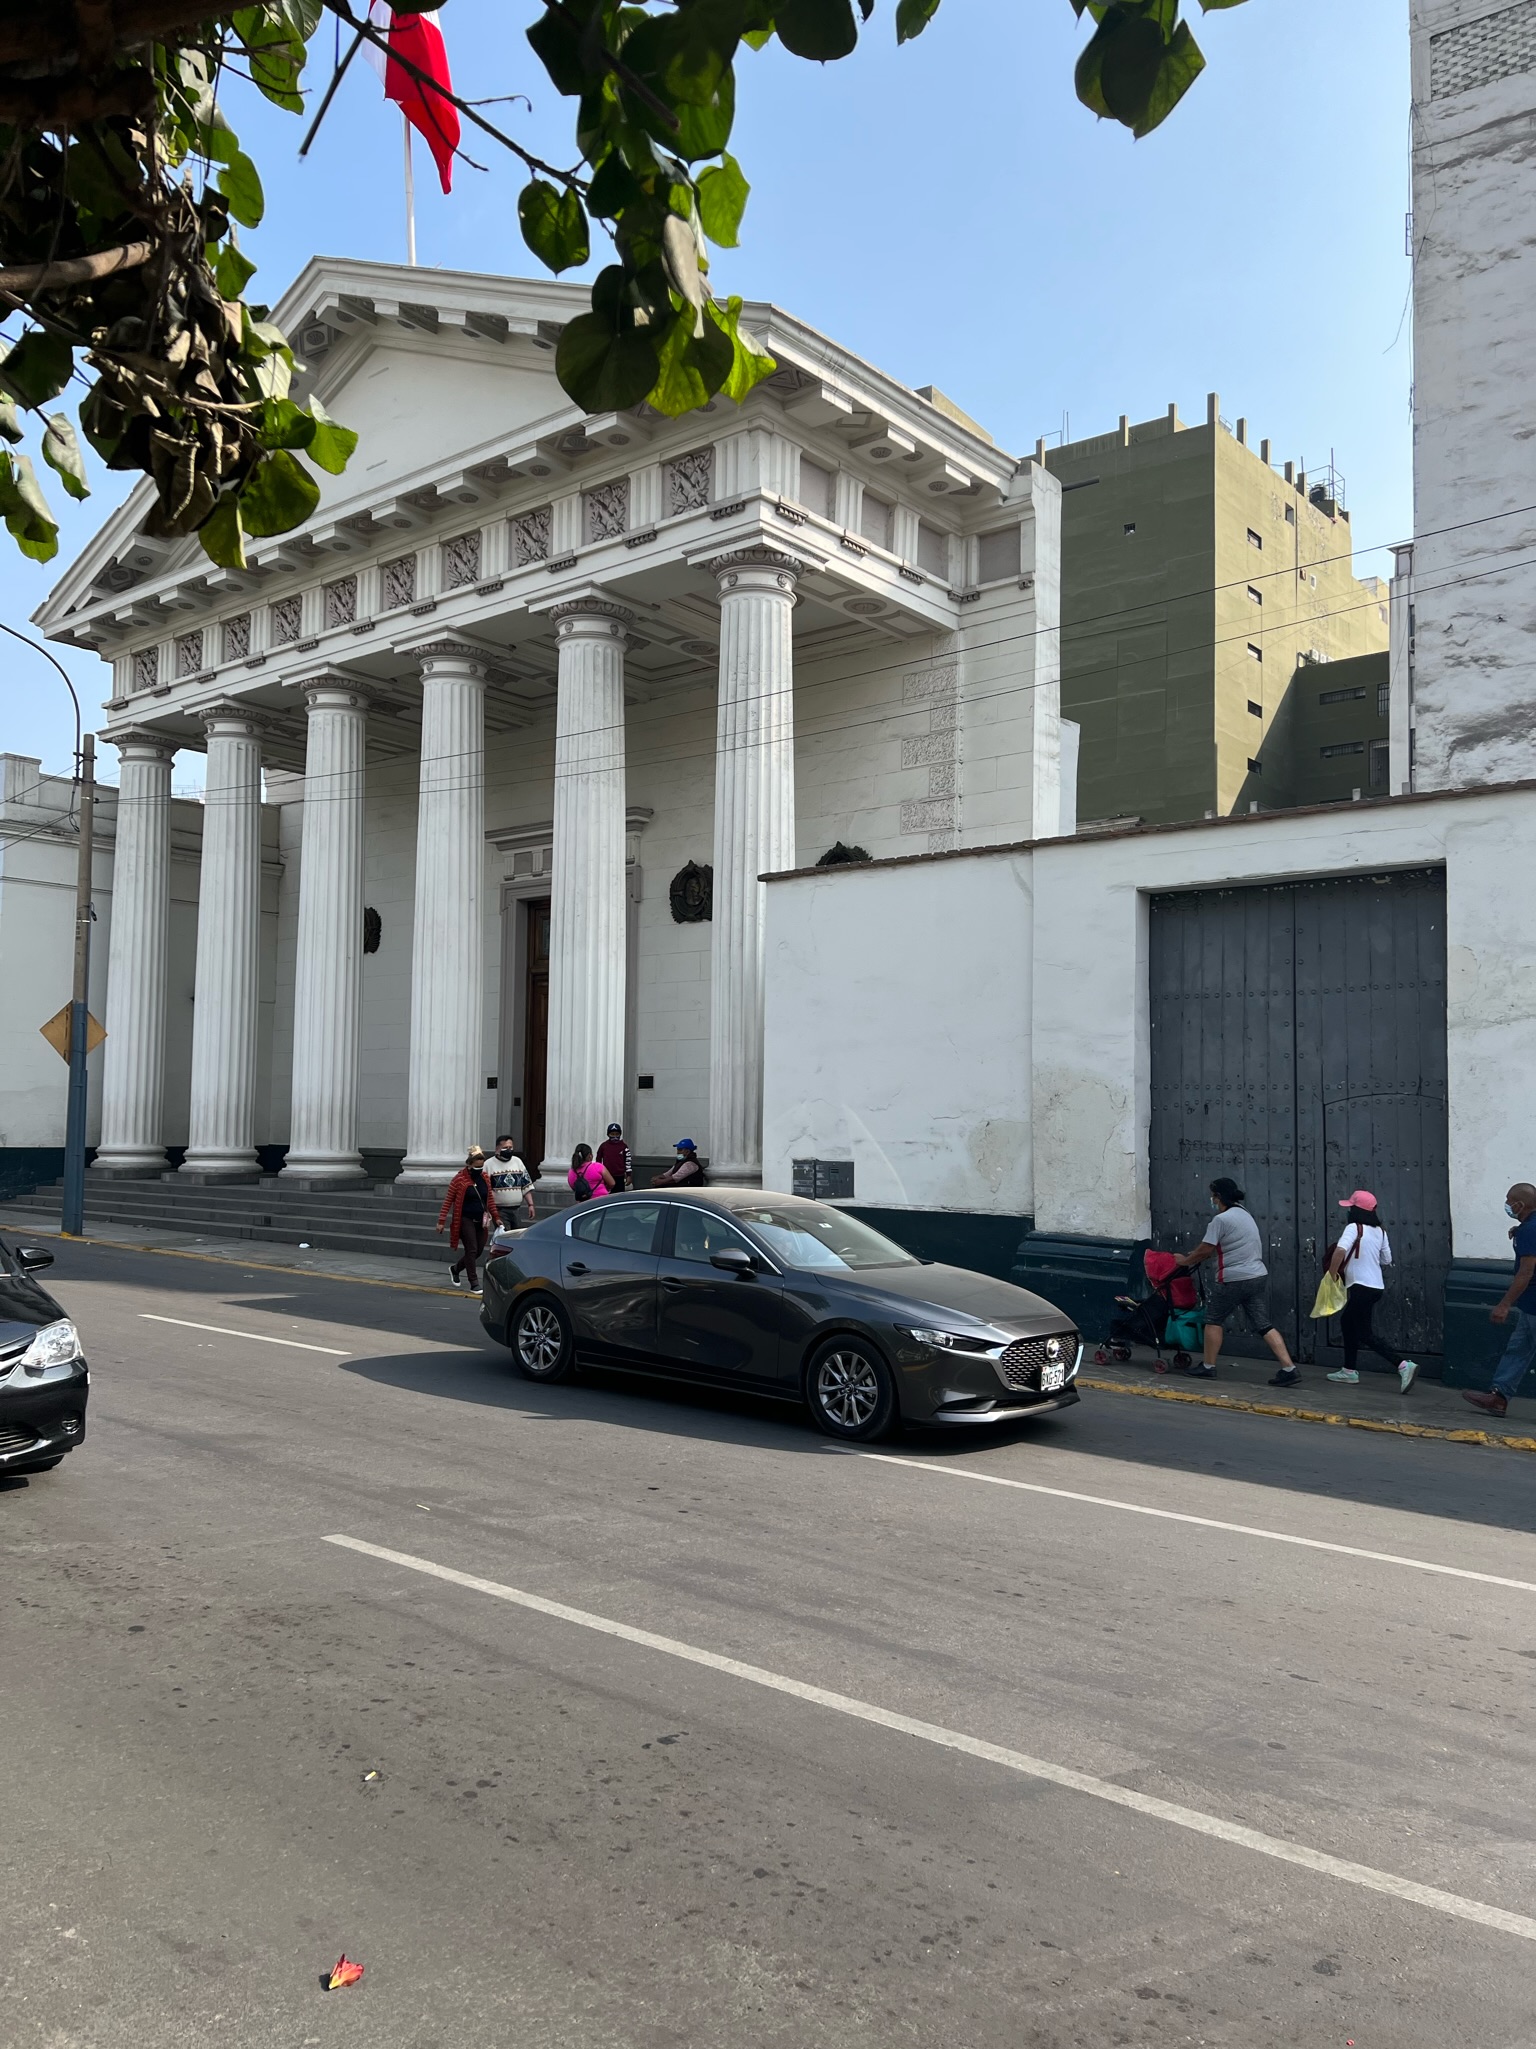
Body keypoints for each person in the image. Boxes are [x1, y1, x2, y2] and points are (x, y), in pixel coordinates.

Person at [1175, 1176, 1298, 1385]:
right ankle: (1289, 1368)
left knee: (1213, 1320)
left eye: (1213, 1196)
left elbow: (1206, 1249)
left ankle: (1208, 1366)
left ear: (1218, 1196)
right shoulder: (1244, 1213)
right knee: (1263, 1323)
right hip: (1256, 1276)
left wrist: (1185, 1261)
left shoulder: (1220, 1220)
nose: (1212, 1200)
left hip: (1233, 1278)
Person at [1323, 1190, 1419, 1391]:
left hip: (1361, 1287)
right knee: (1347, 1322)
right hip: (1375, 1287)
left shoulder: (1353, 1228)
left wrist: (1331, 1275)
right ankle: (1349, 1370)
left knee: (1364, 1333)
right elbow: (1387, 1259)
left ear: (1356, 1211)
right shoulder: (1381, 1232)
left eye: (1351, 1207)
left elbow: (1340, 1250)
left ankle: (1403, 1365)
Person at [1462, 1182, 1536, 1418]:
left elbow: (1526, 1272)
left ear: (1520, 1204)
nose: (1506, 1205)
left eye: (1509, 1201)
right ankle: (1499, 1397)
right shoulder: (1528, 1228)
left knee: (1519, 1349)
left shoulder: (1530, 1230)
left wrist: (1504, 1304)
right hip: (1530, 1306)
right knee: (1518, 1349)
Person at [436, 1145, 500, 1292]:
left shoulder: (485, 1178)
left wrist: (496, 1217)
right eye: (477, 1166)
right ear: (469, 1165)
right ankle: (474, 1282)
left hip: (481, 1220)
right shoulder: (459, 1179)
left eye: (481, 1166)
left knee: (478, 1250)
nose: (479, 1169)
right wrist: (441, 1221)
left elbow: (489, 1199)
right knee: (471, 1249)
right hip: (465, 1219)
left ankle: (456, 1269)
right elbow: (448, 1201)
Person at [486, 1133, 536, 1225]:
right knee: (504, 1232)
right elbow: (485, 1189)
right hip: (499, 1210)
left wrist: (531, 1205)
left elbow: (526, 1185)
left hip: (516, 1209)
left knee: (518, 1232)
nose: (509, 1150)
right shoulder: (488, 1165)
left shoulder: (518, 1162)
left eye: (510, 1147)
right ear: (497, 1149)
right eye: (505, 1147)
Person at [596, 1122, 632, 1190]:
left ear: (620, 1134)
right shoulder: (604, 1146)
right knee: (607, 1194)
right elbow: (598, 1160)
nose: (615, 1136)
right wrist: (599, 1173)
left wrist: (628, 1175)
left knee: (619, 1194)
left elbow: (628, 1161)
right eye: (612, 1134)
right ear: (608, 1134)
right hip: (607, 1175)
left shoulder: (624, 1146)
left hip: (620, 1176)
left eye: (617, 1134)